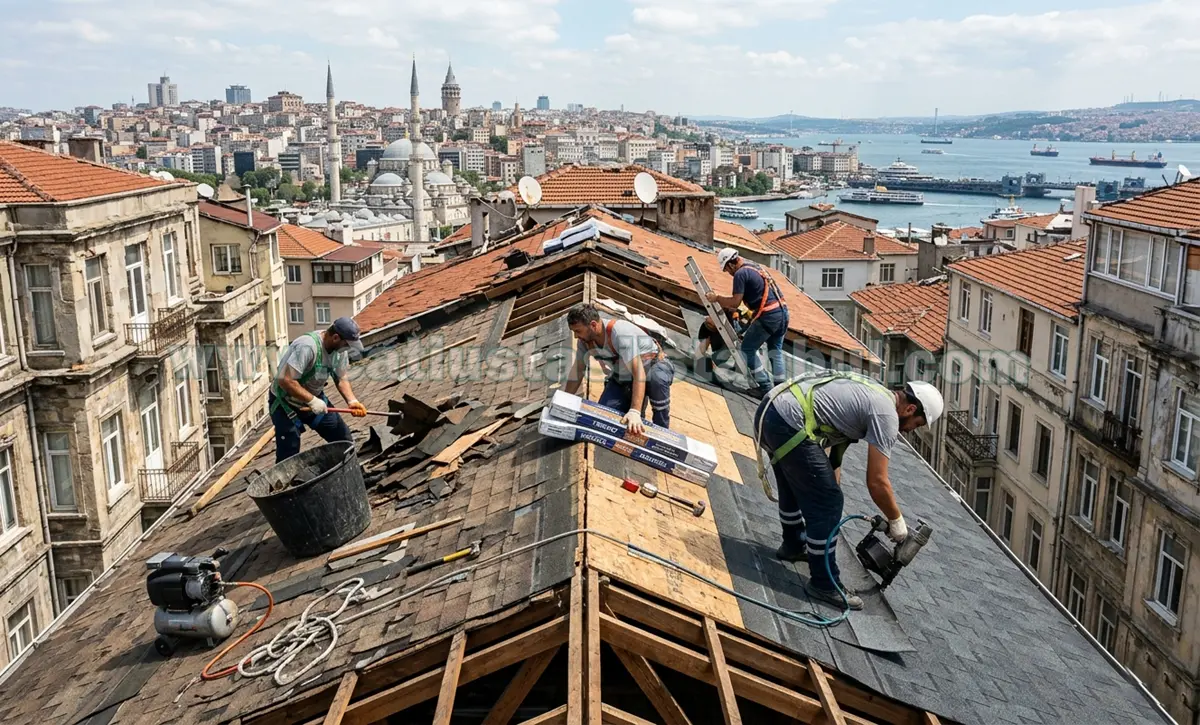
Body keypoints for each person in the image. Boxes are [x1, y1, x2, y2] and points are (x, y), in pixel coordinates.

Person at [753, 372, 943, 609]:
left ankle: (793, 545)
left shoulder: (874, 393)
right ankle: (824, 584)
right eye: (917, 424)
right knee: (828, 502)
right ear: (910, 409)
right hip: (787, 422)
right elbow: (877, 481)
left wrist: (830, 493)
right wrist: (896, 521)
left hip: (771, 412)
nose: (910, 431)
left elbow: (834, 456)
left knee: (801, 487)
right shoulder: (886, 416)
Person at [564, 303, 674, 435]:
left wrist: (634, 411)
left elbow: (638, 373)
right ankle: (637, 419)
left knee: (657, 380)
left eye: (578, 331)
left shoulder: (619, 333)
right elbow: (578, 370)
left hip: (653, 366)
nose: (576, 336)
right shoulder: (585, 342)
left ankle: (661, 433)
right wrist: (564, 399)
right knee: (604, 416)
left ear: (593, 325)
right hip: (625, 375)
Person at [269, 317, 369, 462]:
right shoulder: (308, 347)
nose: (348, 348)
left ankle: (354, 473)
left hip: (314, 398)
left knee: (343, 440)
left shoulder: (339, 351)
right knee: (288, 455)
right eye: (347, 344)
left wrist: (352, 401)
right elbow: (286, 380)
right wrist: (312, 401)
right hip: (285, 404)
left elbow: (341, 377)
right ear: (336, 337)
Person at [706, 248, 789, 398]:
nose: (729, 273)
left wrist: (716, 298)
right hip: (782, 313)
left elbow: (735, 302)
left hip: (769, 315)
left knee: (747, 350)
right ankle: (780, 392)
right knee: (775, 351)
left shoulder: (740, 274)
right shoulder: (754, 267)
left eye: (727, 270)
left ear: (730, 264)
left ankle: (765, 387)